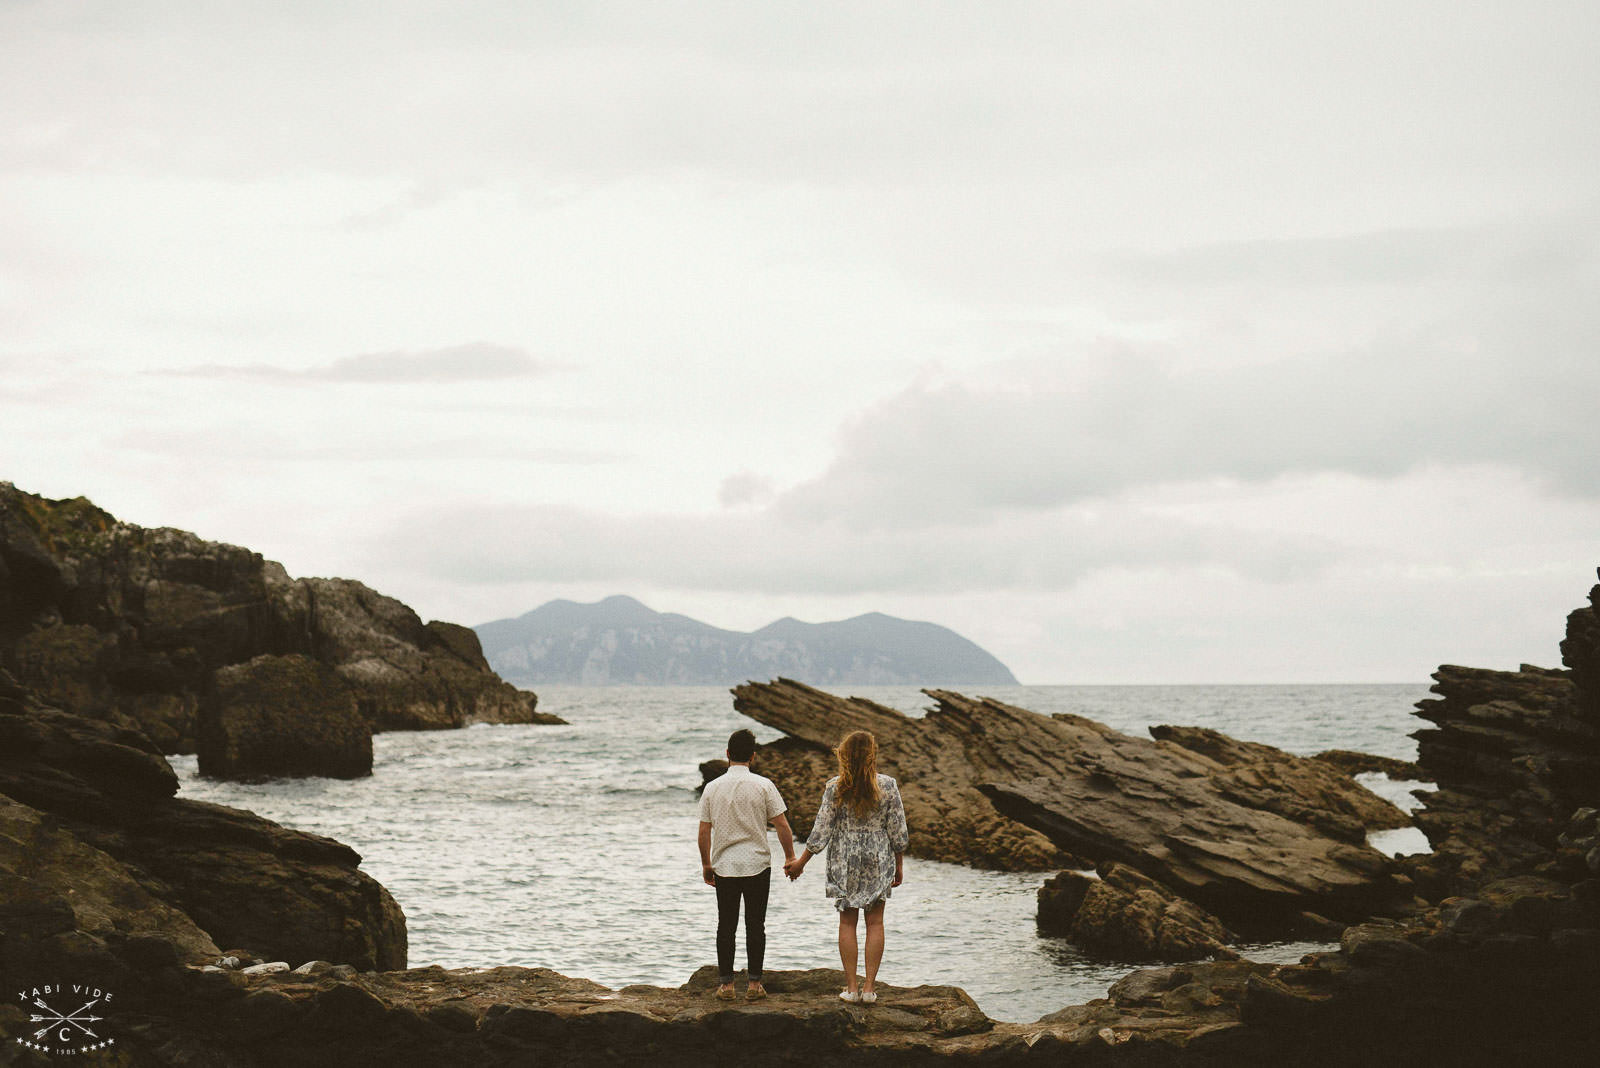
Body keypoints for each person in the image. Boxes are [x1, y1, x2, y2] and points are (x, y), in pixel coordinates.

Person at [783, 730, 908, 1004]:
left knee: (847, 921)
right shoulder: (888, 786)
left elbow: (821, 831)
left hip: (844, 856)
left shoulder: (835, 787)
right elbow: (898, 831)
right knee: (875, 921)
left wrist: (800, 863)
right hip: (877, 855)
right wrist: (899, 866)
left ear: (844, 755)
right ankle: (869, 989)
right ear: (872, 754)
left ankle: (851, 988)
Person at [697, 727, 796, 1001]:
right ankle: (754, 985)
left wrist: (706, 864)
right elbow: (782, 824)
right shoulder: (764, 785)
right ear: (753, 756)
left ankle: (726, 986)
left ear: (727, 754)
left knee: (725, 925)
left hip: (724, 864)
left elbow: (704, 831)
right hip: (757, 863)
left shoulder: (712, 788)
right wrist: (790, 857)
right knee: (756, 924)